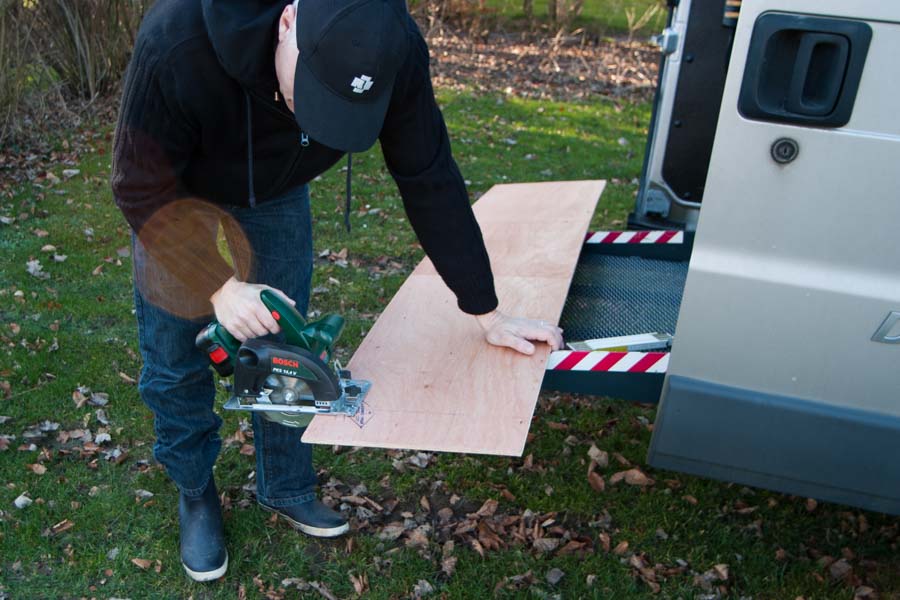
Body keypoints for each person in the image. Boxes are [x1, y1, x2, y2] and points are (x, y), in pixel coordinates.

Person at [111, 0, 563, 582]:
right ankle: (195, 490)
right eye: (307, 103)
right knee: (175, 359)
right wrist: (218, 286)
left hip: (277, 189)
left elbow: (428, 175)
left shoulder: (388, 42)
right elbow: (137, 187)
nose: (312, 120)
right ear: (287, 23)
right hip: (175, 192)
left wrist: (486, 309)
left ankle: (285, 484)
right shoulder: (176, 41)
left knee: (287, 348)